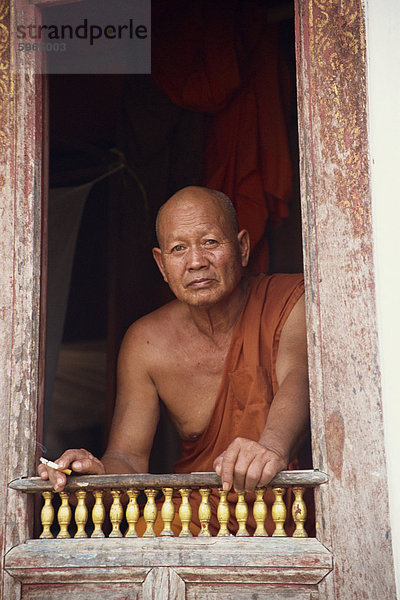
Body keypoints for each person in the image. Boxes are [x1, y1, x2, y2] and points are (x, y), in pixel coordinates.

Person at [38, 185, 310, 535]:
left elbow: (299, 379)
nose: (196, 261)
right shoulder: (146, 342)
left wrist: (271, 447)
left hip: (289, 517)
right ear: (161, 264)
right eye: (179, 248)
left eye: (210, 242)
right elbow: (130, 457)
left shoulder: (291, 301)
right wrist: (97, 473)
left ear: (242, 247)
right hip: (190, 522)